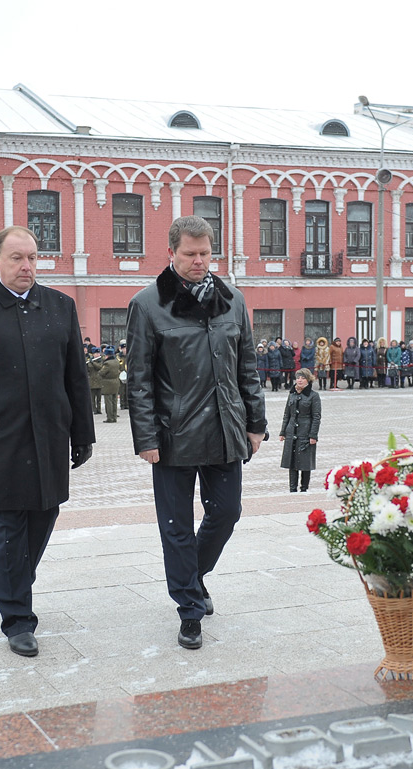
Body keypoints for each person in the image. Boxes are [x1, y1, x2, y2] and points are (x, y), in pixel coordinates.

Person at [0, 225, 95, 658]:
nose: (27, 266)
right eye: (17, 258)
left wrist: (82, 433)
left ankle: (13, 585)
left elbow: (76, 378)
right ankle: (17, 618)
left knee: (42, 521)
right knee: (4, 533)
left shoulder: (60, 307)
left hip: (49, 441)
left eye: (32, 257)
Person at [125, 215, 267, 650]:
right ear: (171, 253)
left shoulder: (233, 301)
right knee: (176, 527)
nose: (199, 261)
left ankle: (194, 575)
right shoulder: (148, 304)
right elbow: (140, 380)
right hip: (173, 435)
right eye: (190, 254)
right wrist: (146, 438)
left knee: (227, 512)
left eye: (206, 253)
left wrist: (255, 422)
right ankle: (189, 609)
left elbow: (247, 366)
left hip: (226, 429)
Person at [280, 368, 320, 492]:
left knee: (305, 463)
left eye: (303, 378)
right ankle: (292, 489)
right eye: (298, 378)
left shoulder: (313, 396)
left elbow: (316, 417)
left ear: (308, 380)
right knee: (292, 462)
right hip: (292, 431)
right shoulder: (291, 394)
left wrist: (313, 435)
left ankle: (304, 488)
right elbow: (287, 414)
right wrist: (283, 432)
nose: (300, 380)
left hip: (305, 432)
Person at [99, 346, 122, 423]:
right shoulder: (116, 362)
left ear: (107, 355)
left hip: (108, 384)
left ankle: (110, 418)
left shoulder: (107, 363)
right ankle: (114, 417)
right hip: (116, 382)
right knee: (114, 401)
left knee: (108, 402)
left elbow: (101, 373)